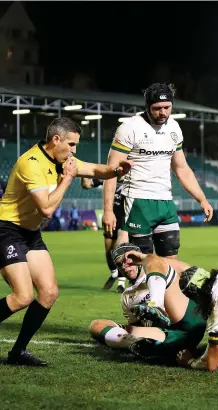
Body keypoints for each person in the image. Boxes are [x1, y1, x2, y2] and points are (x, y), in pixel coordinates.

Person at [0, 117, 132, 366]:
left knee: (48, 293)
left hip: (30, 233)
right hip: (7, 230)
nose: (74, 151)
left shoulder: (63, 161)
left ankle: (17, 352)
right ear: (56, 139)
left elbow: (94, 170)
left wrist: (115, 171)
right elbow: (47, 210)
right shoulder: (31, 163)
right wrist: (68, 178)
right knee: (22, 296)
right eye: (71, 145)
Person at [103, 83, 213, 309]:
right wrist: (107, 211)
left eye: (167, 107)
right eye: (157, 108)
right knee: (145, 265)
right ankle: (148, 314)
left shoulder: (174, 128)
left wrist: (201, 198)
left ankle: (171, 313)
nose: (163, 113)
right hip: (138, 202)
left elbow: (181, 168)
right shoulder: (129, 128)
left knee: (170, 263)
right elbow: (110, 171)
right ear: (147, 107)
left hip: (165, 203)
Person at [88, 244, 206, 360]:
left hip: (188, 322)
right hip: (165, 335)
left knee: (152, 259)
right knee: (96, 326)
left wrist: (145, 258)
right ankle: (138, 345)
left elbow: (189, 271)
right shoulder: (127, 296)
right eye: (119, 264)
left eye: (128, 261)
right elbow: (136, 326)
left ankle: (155, 305)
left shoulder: (161, 266)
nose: (124, 266)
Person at [81, 176, 128, 292]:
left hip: (125, 219)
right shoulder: (108, 179)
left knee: (119, 251)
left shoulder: (132, 181)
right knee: (109, 252)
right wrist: (81, 174)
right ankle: (114, 274)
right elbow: (86, 185)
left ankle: (121, 283)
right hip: (110, 219)